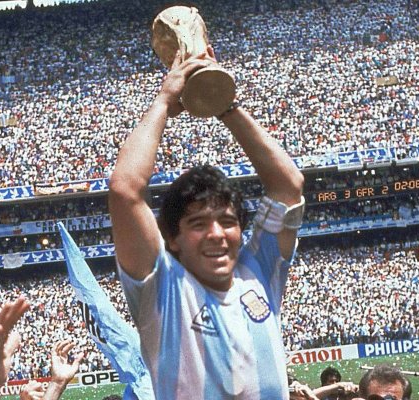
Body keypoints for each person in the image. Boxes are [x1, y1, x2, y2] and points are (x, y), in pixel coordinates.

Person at [108, 45, 304, 399]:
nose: (217, 234)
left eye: (228, 221)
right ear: (173, 239)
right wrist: (164, 102)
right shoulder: (162, 288)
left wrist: (223, 102)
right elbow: (125, 190)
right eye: (198, 223)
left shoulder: (258, 271)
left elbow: (287, 185)